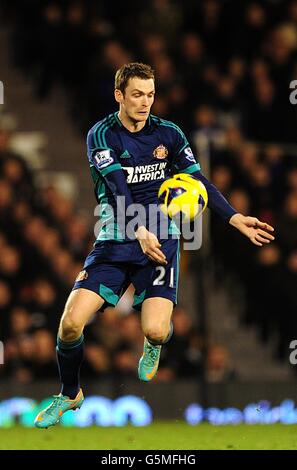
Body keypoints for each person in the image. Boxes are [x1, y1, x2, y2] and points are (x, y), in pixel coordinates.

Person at [35, 62, 274, 428]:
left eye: (150, 94)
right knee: (69, 325)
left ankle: (154, 344)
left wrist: (233, 216)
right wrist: (138, 229)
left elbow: (197, 180)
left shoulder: (169, 134)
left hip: (161, 239)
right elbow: (118, 188)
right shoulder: (100, 135)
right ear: (119, 95)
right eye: (136, 95)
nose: (145, 102)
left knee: (157, 330)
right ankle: (70, 394)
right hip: (116, 238)